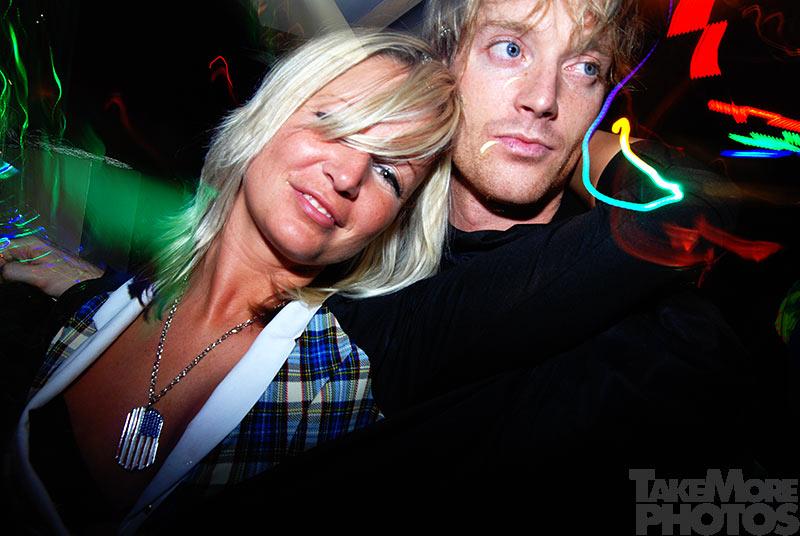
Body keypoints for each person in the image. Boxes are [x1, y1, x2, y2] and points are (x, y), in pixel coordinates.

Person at [6, 0, 784, 530]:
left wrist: (606, 149)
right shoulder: (359, 284)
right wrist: (93, 298)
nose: (542, 97)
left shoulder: (663, 334)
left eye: (585, 69)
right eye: (511, 48)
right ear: (447, 65)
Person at [8, 29, 461, 534]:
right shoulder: (93, 308)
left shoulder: (336, 397)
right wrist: (87, 290)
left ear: (392, 225)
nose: (348, 175)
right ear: (269, 112)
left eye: (389, 174)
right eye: (334, 123)